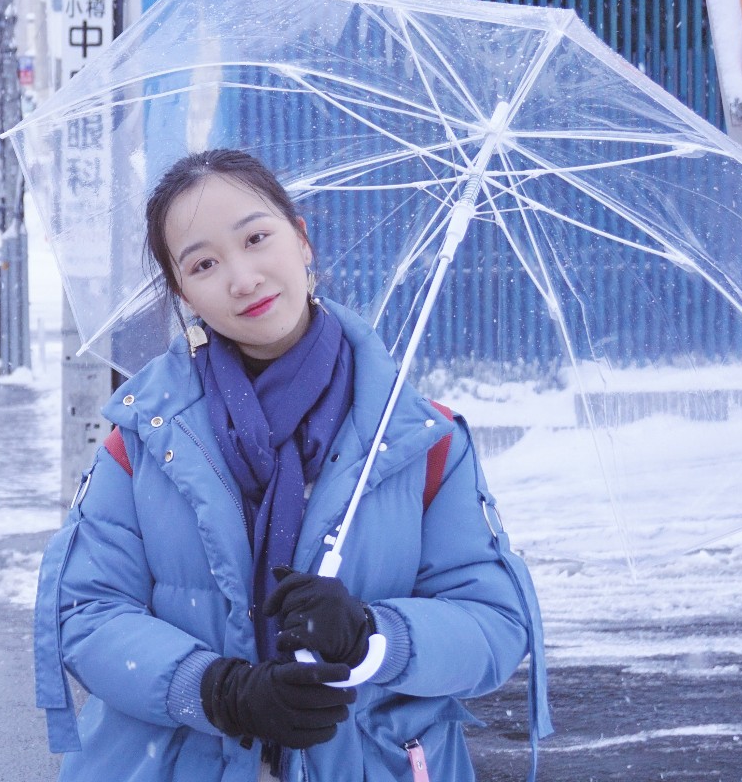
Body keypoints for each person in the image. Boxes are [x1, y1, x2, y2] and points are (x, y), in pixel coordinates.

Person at [33, 149, 547, 782]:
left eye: (256, 237)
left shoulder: (419, 439)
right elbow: (88, 613)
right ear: (182, 292)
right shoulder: (143, 439)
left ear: (301, 240)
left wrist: (372, 638)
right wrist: (218, 691)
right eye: (204, 263)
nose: (242, 278)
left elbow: (493, 624)